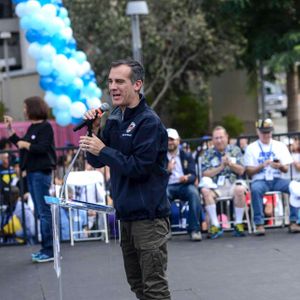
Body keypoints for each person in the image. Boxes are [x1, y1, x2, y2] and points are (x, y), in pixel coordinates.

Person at [79, 59, 171, 300]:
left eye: (120, 81)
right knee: (137, 285)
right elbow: (97, 161)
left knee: (154, 288)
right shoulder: (116, 118)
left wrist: (104, 150)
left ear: (137, 84)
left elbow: (139, 168)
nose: (113, 87)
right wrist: (95, 130)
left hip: (148, 218)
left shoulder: (148, 122)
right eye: (110, 81)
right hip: (126, 214)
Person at [4, 96, 57, 262]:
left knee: (43, 211)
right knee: (41, 212)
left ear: (33, 108)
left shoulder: (45, 127)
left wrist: (26, 145)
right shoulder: (32, 128)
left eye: (26, 107)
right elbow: (21, 144)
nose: (24, 111)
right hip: (33, 173)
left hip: (41, 173)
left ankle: (49, 250)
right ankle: (46, 248)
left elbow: (41, 147)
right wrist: (10, 130)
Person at [244, 118, 300, 235]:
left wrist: (278, 166)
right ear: (258, 132)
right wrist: (262, 165)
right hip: (260, 179)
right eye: (264, 132)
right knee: (255, 189)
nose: (266, 135)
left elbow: (285, 169)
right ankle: (259, 224)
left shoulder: (280, 146)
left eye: (268, 132)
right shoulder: (251, 148)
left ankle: (294, 221)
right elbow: (248, 171)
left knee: (295, 187)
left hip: (277, 179)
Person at [200, 126, 247, 239]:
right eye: (216, 138)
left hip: (233, 184)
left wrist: (230, 164)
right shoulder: (208, 153)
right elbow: (205, 173)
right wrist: (221, 167)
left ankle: (238, 224)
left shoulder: (235, 150)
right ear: (212, 139)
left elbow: (241, 170)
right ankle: (216, 226)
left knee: (240, 189)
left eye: (221, 137)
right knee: (205, 191)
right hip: (216, 186)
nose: (219, 140)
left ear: (226, 137)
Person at [166, 128, 202, 241]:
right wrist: (167, 170)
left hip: (184, 185)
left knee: (194, 193)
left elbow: (193, 175)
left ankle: (194, 229)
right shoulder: (160, 156)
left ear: (178, 141)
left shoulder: (186, 155)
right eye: (167, 140)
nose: (169, 142)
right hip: (168, 186)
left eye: (172, 140)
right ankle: (166, 230)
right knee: (162, 194)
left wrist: (187, 178)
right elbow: (156, 177)